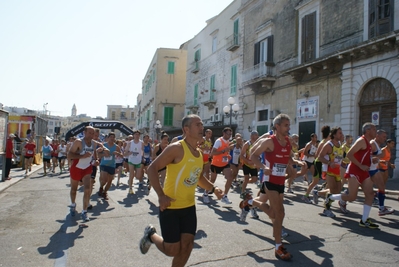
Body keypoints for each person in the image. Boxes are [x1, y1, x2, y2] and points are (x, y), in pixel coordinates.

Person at [139, 115, 223, 267]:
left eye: (202, 125)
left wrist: (213, 188)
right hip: (170, 207)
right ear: (186, 129)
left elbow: (198, 178)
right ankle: (151, 235)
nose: (201, 128)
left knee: (187, 247)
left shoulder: (198, 153)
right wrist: (161, 196)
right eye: (197, 125)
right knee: (172, 250)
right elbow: (152, 168)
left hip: (189, 208)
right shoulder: (177, 148)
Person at [247, 114, 303, 261]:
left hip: (280, 181)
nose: (288, 128)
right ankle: (278, 246)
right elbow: (253, 156)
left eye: (289, 125)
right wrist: (263, 166)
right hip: (269, 180)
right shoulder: (268, 142)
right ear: (277, 126)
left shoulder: (288, 142)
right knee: (278, 212)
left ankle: (251, 202)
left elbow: (287, 158)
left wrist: (296, 162)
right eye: (286, 125)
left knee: (278, 213)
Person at [325, 123, 379, 228]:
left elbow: (362, 156)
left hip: (364, 171)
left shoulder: (369, 143)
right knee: (352, 196)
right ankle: (330, 197)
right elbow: (349, 154)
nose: (376, 131)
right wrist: (361, 165)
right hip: (355, 170)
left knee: (370, 194)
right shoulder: (362, 141)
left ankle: (364, 220)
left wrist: (372, 160)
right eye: (374, 129)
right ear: (368, 131)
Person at [68, 126, 103, 222]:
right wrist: (82, 156)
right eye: (89, 133)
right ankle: (73, 204)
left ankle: (84, 211)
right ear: (84, 132)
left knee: (87, 189)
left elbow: (95, 155)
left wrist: (96, 161)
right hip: (76, 168)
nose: (91, 135)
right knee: (74, 190)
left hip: (87, 169)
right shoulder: (78, 142)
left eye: (93, 133)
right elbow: (70, 155)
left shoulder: (94, 143)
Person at [316, 127, 344, 217]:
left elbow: (339, 157)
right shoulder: (329, 145)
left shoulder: (339, 144)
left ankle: (318, 193)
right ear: (334, 134)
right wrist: (329, 162)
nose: (341, 134)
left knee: (337, 191)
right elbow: (320, 157)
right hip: (329, 170)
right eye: (339, 133)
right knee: (332, 191)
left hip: (337, 170)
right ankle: (326, 209)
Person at [370, 130, 394, 215]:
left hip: (373, 170)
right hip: (368, 170)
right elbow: (366, 155)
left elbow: (375, 157)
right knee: (352, 194)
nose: (385, 139)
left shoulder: (378, 145)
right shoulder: (372, 143)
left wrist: (381, 161)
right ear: (377, 136)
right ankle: (341, 199)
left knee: (381, 187)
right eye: (383, 137)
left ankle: (381, 208)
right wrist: (377, 160)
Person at [208, 127, 234, 204]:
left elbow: (225, 152)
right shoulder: (219, 141)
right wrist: (224, 151)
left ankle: (225, 196)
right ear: (223, 133)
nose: (229, 135)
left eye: (230, 134)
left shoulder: (228, 141)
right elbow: (213, 153)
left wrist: (228, 155)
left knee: (230, 177)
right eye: (228, 134)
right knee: (212, 181)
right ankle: (206, 193)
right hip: (216, 164)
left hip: (224, 164)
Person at [98, 132, 122, 200]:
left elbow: (122, 156)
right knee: (104, 180)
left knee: (110, 181)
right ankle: (101, 187)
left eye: (113, 137)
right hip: (104, 164)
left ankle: (104, 192)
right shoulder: (103, 145)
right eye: (110, 137)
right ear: (108, 138)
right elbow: (98, 155)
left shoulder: (116, 147)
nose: (112, 138)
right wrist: (103, 154)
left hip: (112, 165)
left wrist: (117, 153)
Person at [124, 130, 144, 194]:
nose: (137, 136)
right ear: (133, 135)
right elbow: (125, 152)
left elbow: (142, 151)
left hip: (138, 160)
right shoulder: (130, 143)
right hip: (131, 160)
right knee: (131, 175)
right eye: (135, 134)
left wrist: (143, 158)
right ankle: (130, 188)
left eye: (138, 135)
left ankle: (130, 180)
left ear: (139, 136)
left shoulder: (141, 143)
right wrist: (128, 153)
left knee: (138, 176)